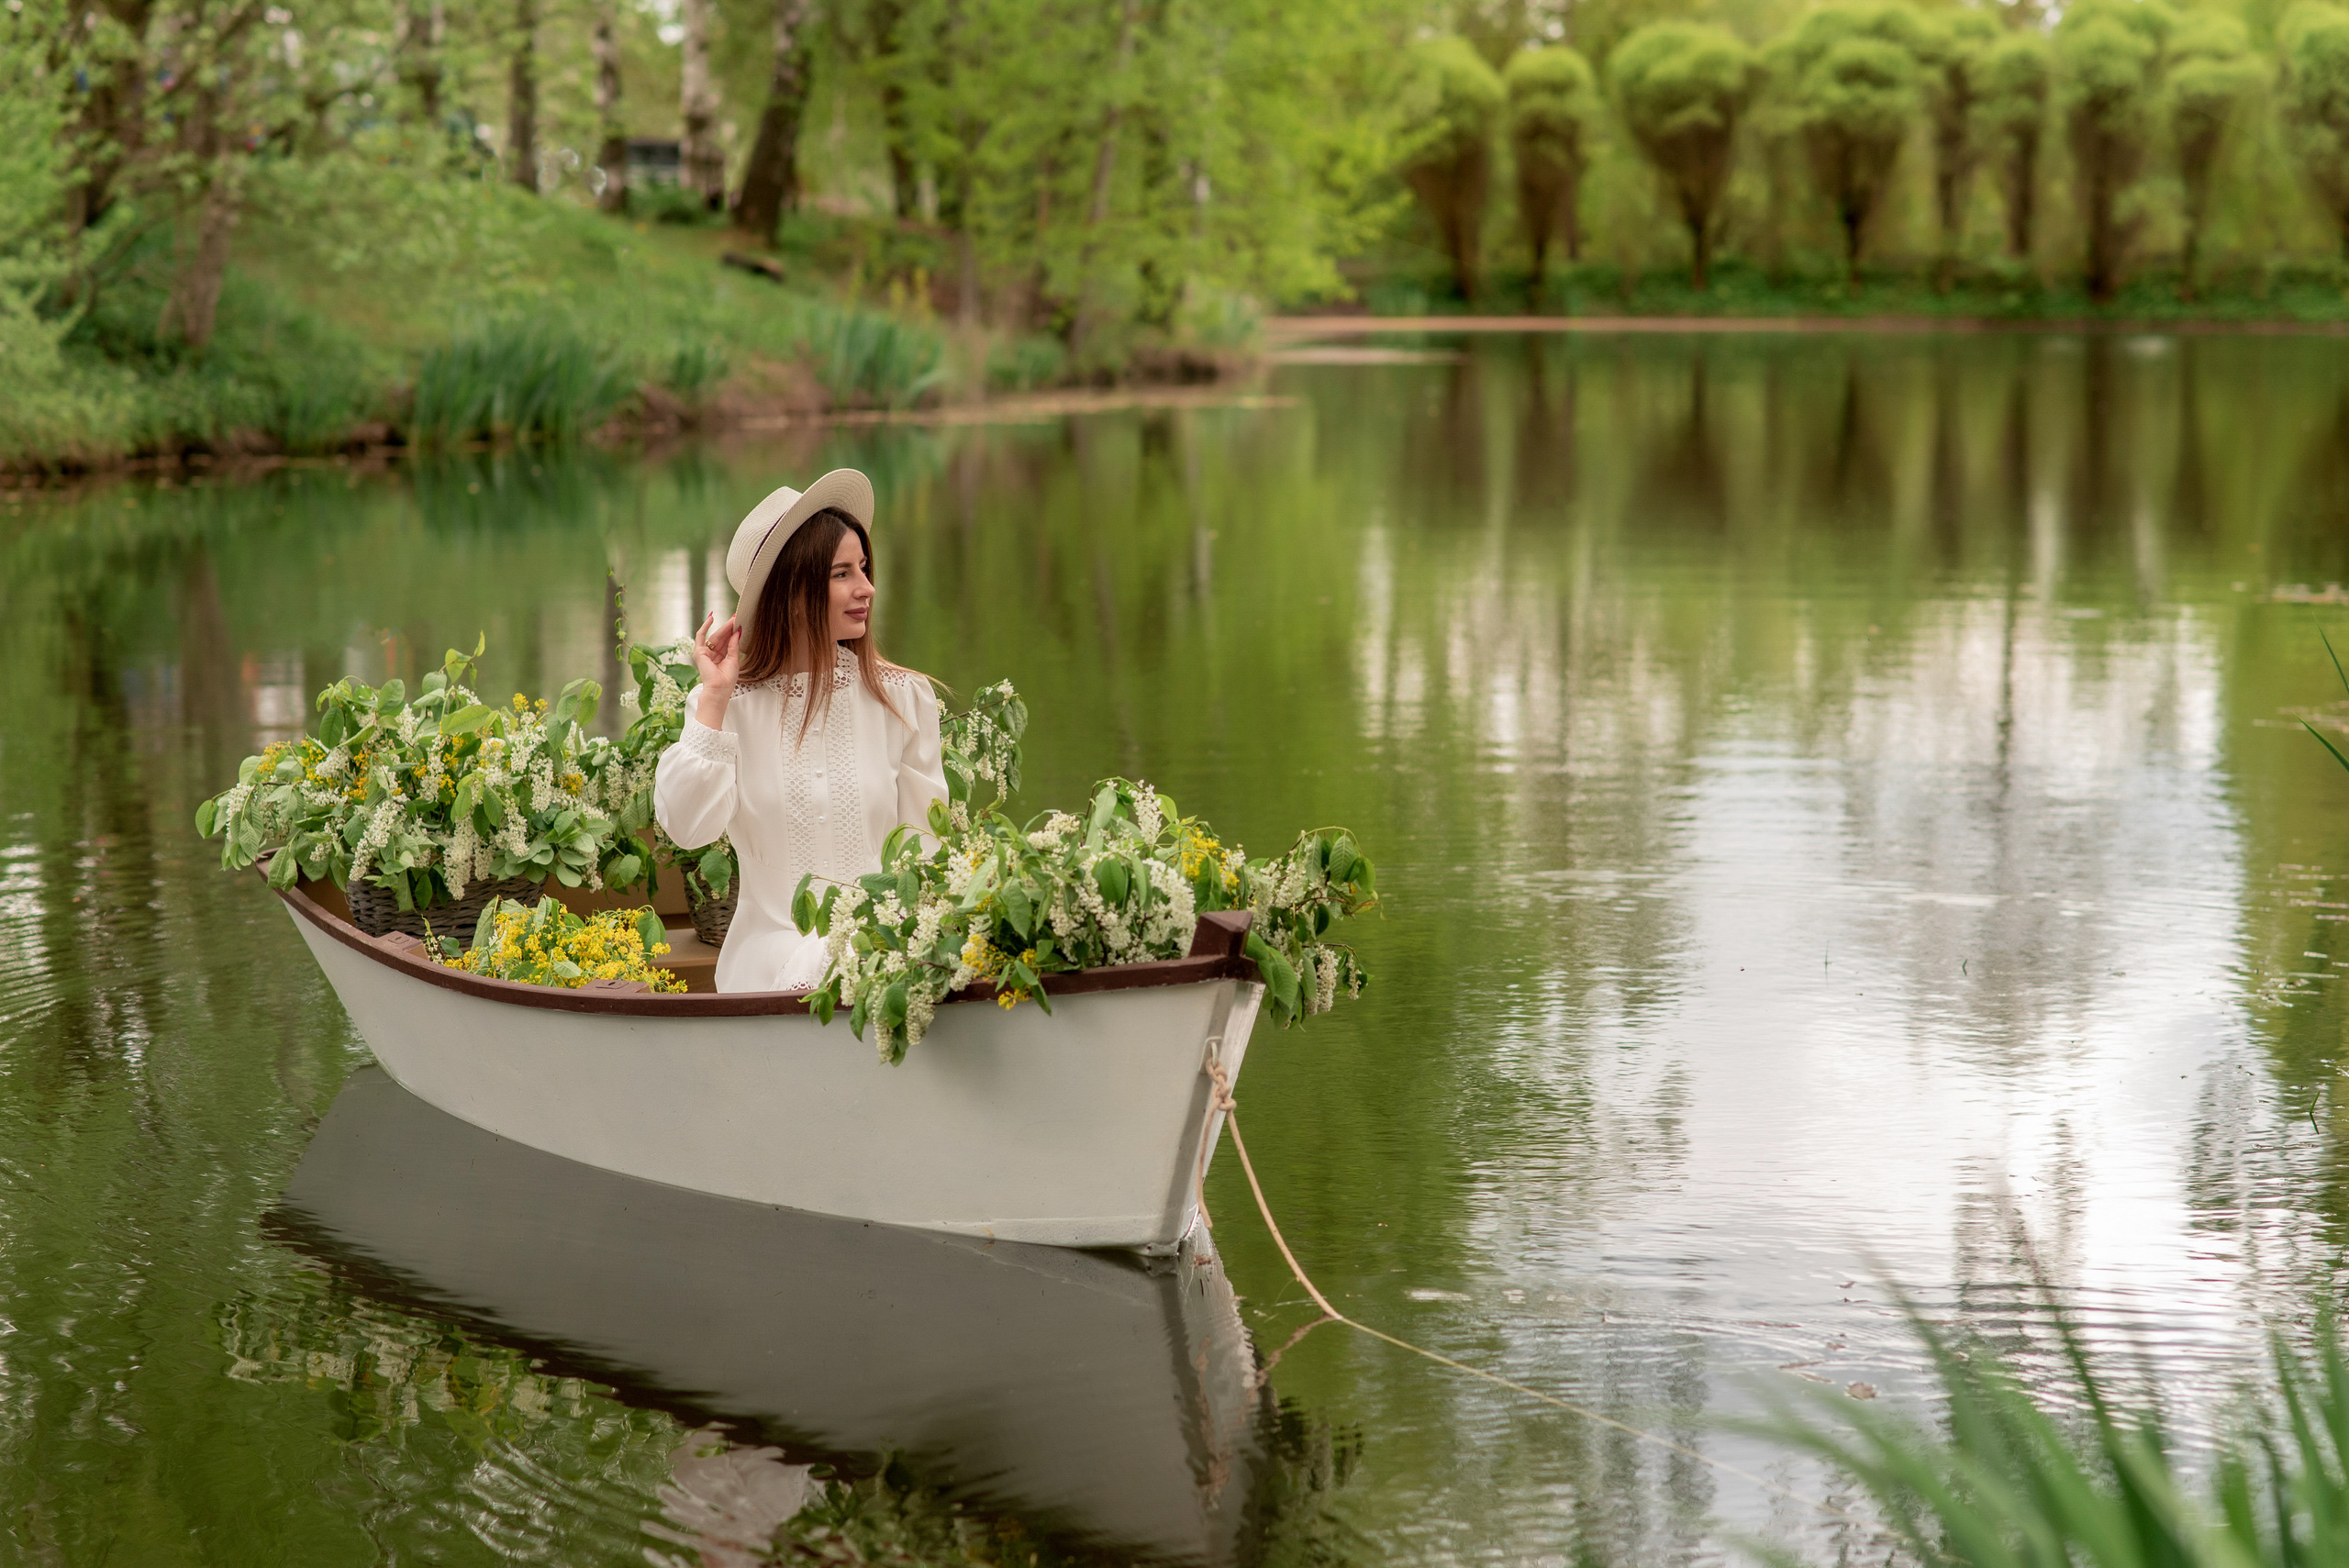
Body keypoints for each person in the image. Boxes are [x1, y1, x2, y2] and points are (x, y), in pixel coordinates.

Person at [654, 470, 948, 993]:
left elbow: (926, 854)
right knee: (823, 963)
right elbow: (686, 827)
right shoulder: (726, 706)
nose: (867, 588)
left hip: (884, 964)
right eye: (842, 574)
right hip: (767, 965)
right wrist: (717, 697)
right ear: (792, 591)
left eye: (863, 567)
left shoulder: (903, 700)